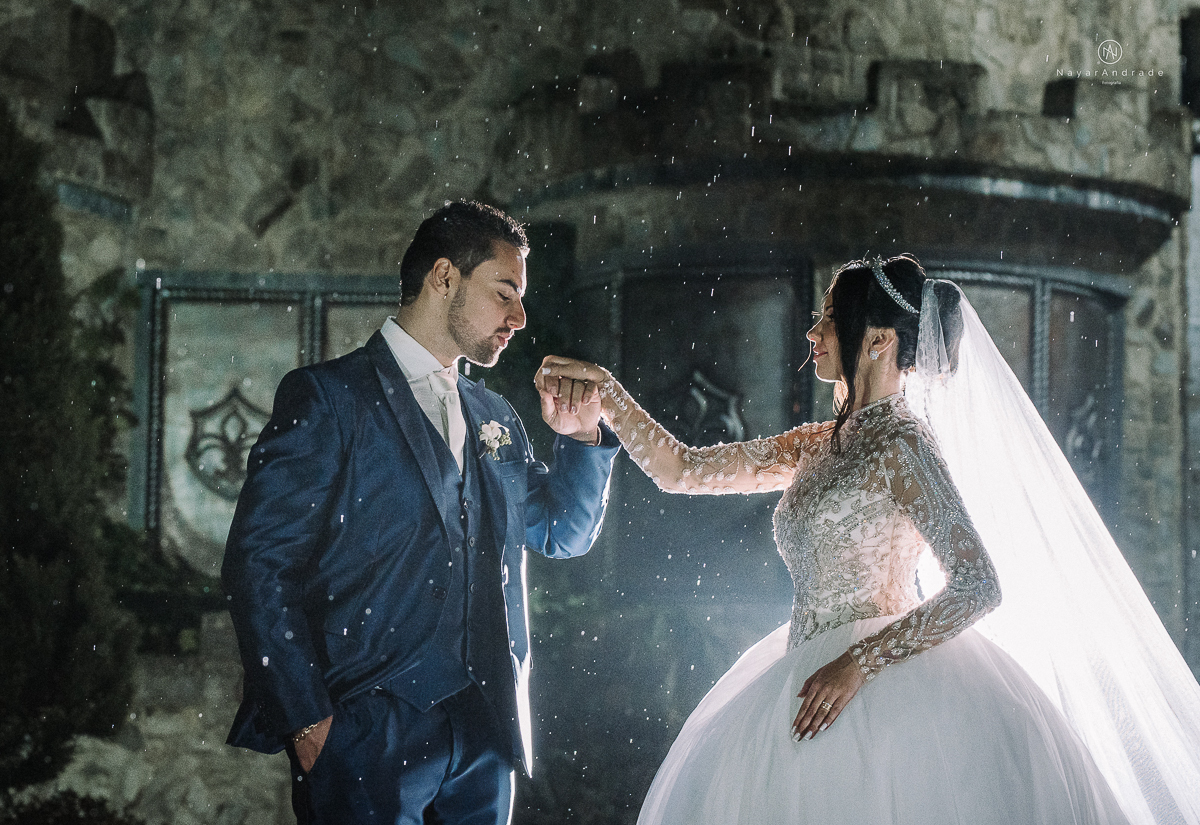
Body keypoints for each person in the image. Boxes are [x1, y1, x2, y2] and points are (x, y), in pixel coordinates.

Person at [539, 254, 1200, 824]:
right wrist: (607, 395)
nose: (813, 332)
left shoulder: (903, 445)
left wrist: (860, 662)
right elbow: (682, 470)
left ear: (879, 339)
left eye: (829, 318)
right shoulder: (817, 444)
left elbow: (978, 584)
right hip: (804, 669)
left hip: (886, 689)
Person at [222, 200, 620, 825]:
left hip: (485, 731)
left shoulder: (494, 416)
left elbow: (563, 532)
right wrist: (308, 723)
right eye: (505, 293)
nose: (519, 317)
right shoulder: (329, 399)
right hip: (365, 731)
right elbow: (259, 565)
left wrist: (581, 437)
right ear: (443, 277)